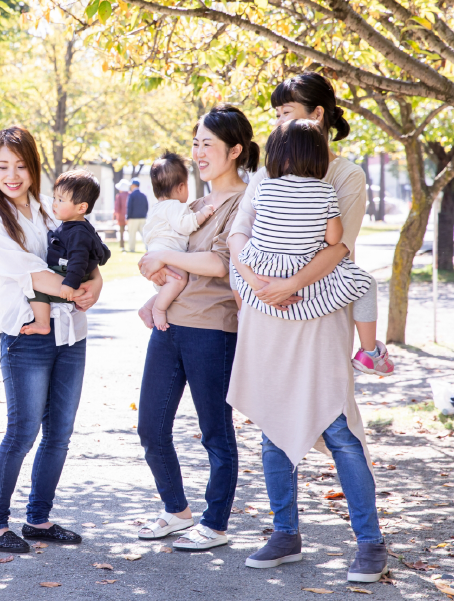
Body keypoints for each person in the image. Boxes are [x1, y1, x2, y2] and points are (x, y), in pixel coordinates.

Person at [226, 72, 389, 583]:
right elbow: (238, 233)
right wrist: (256, 283)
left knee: (339, 427)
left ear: (316, 114)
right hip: (266, 313)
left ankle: (369, 541)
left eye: (285, 111)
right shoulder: (265, 175)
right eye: (275, 113)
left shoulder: (346, 176)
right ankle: (285, 532)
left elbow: (339, 248)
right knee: (273, 427)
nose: (277, 121)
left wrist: (284, 283)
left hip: (317, 314)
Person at [0, 126, 103, 553]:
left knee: (59, 433)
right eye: (2, 166)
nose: (12, 175)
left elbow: (84, 249)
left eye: (21, 166)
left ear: (34, 167)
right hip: (26, 335)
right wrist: (72, 288)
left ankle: (39, 519)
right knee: (22, 431)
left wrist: (95, 284)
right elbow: (32, 270)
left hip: (70, 333)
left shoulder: (51, 208)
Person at [135, 104, 258, 550]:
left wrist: (165, 259)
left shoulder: (247, 201)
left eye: (209, 144)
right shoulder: (193, 204)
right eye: (196, 144)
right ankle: (176, 510)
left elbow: (221, 264)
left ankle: (216, 523)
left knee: (215, 432)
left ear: (235, 150)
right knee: (150, 426)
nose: (200, 152)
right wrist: (157, 283)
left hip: (214, 330)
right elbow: (172, 257)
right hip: (170, 329)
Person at [231, 120, 394, 376]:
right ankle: (369, 352)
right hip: (308, 285)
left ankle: (244, 315)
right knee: (366, 284)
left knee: (235, 259)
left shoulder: (263, 186)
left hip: (260, 281)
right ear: (318, 156)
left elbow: (259, 228)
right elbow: (334, 239)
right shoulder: (326, 191)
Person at [21, 169, 111, 336]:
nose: (54, 203)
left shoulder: (77, 232)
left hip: (70, 274)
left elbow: (79, 260)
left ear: (81, 207)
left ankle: (42, 322)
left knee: (34, 288)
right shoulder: (78, 225)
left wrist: (69, 284)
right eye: (55, 198)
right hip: (70, 272)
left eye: (61, 200)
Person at [137, 151, 215, 331]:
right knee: (179, 280)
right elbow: (185, 225)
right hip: (167, 255)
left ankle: (147, 307)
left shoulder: (157, 208)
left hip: (155, 254)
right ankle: (158, 309)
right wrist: (201, 215)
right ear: (181, 188)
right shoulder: (175, 206)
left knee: (168, 286)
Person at [125, 179, 149, 252]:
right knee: (144, 234)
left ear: (133, 185)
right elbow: (147, 206)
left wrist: (128, 217)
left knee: (132, 234)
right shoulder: (143, 195)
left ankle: (132, 249)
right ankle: (148, 247)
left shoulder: (131, 195)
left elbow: (129, 207)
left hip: (133, 218)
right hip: (142, 217)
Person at [114, 179, 130, 250]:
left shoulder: (119, 196)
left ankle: (122, 246)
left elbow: (117, 207)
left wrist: (115, 216)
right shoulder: (130, 194)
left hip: (121, 217)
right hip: (130, 216)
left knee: (121, 232)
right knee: (131, 232)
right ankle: (130, 246)